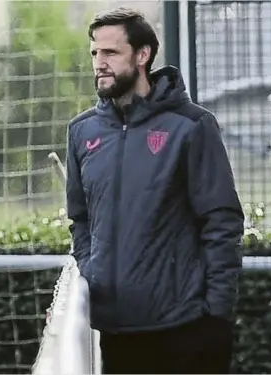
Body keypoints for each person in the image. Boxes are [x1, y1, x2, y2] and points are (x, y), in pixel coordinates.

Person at [65, 7, 244, 374]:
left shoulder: (192, 126)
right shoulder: (82, 131)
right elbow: (80, 219)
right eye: (95, 53)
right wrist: (91, 268)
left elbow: (222, 223)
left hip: (187, 330)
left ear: (142, 55)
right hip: (116, 330)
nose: (100, 62)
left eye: (111, 52)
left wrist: (217, 316)